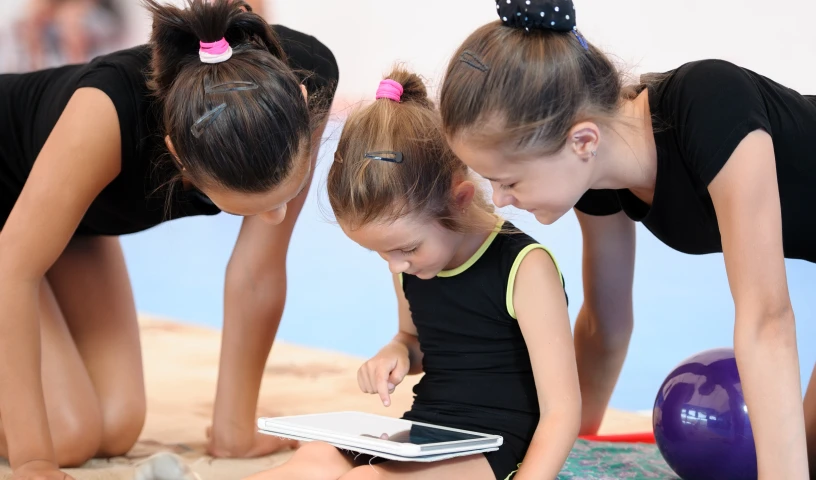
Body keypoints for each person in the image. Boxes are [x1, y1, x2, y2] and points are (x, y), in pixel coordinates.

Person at [437, 0, 816, 478]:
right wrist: (565, 453)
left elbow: (767, 318)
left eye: (509, 180)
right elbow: (604, 326)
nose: (500, 199)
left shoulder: (713, 104)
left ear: (583, 141)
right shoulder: (597, 180)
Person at [0, 0, 338, 477]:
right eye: (250, 207)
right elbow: (11, 270)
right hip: (10, 223)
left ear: (301, 106)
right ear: (177, 156)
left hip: (67, 224)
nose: (276, 216)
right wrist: (32, 462)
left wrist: (234, 430)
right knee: (64, 438)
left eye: (280, 198)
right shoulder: (104, 116)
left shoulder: (307, 78)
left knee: (116, 426)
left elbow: (258, 269)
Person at [245, 68, 581, 480]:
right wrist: (397, 352)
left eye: (406, 248)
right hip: (426, 430)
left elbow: (562, 411)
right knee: (313, 460)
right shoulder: (409, 264)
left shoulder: (526, 268)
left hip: (498, 443)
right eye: (381, 254)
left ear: (459, 200)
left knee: (367, 479)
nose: (396, 266)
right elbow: (415, 342)